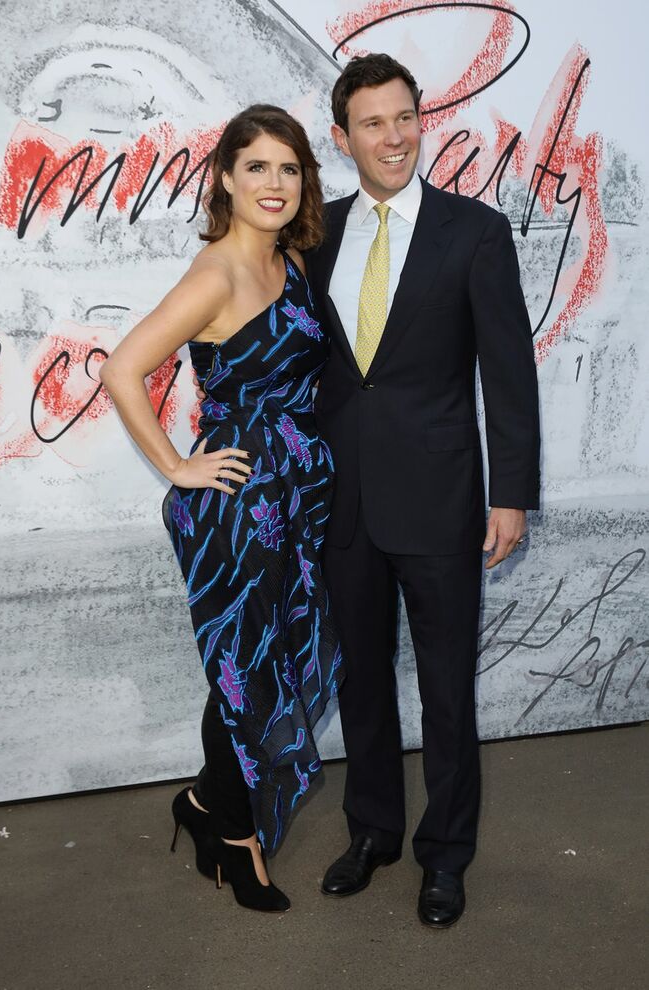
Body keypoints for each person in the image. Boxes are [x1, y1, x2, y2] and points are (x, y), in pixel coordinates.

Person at [308, 54, 541, 927]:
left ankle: (446, 855)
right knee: (361, 683)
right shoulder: (313, 231)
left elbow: (508, 375)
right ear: (344, 137)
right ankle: (372, 833)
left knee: (447, 691)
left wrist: (510, 494)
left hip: (443, 501)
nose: (393, 136)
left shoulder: (474, 231)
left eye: (404, 116)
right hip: (343, 503)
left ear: (420, 120)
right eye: (372, 122)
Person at [99, 105, 343, 914]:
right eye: (257, 168)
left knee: (275, 656)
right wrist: (175, 466)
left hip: (298, 491)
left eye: (289, 167)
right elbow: (124, 368)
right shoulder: (217, 273)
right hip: (237, 500)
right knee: (245, 667)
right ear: (226, 180)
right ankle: (233, 837)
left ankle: (203, 801)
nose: (274, 183)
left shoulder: (295, 262)